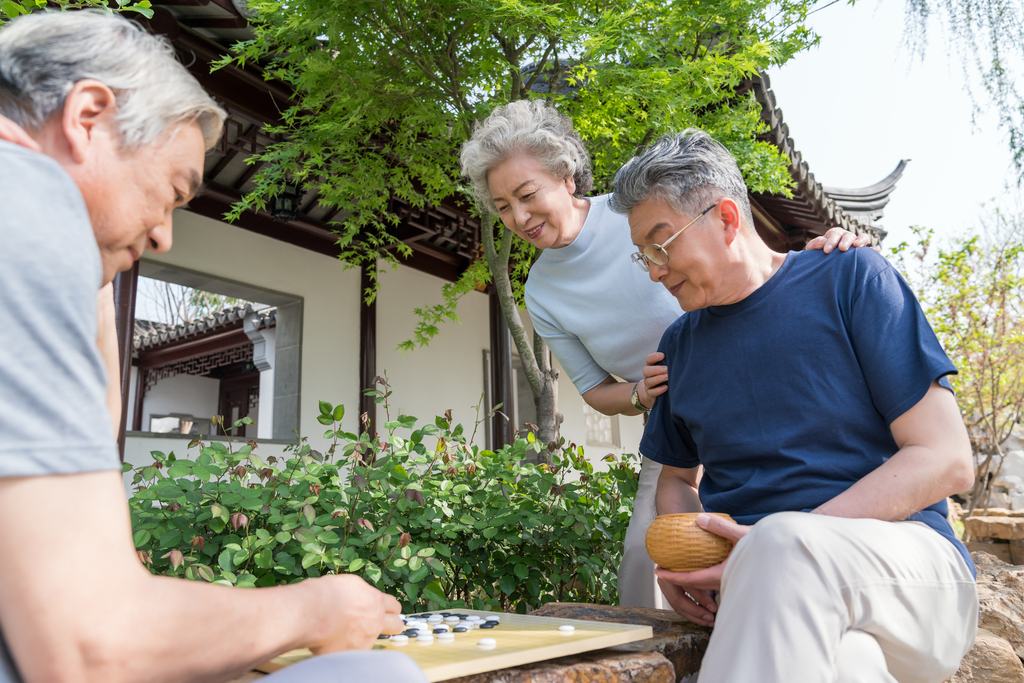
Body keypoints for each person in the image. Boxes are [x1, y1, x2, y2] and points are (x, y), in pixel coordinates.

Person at [0, 11, 426, 683]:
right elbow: (92, 644)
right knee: (384, 675)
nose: (165, 235)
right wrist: (318, 606)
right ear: (87, 117)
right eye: (172, 193)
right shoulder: (27, 199)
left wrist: (95, 279)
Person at [459, 99, 871, 609]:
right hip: (676, 419)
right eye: (503, 207)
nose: (519, 217)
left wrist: (820, 259)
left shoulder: (638, 212)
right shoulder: (541, 291)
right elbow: (594, 391)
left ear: (566, 177)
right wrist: (638, 392)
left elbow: (743, 255)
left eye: (527, 194)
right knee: (645, 556)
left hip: (760, 391)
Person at [611, 129, 978, 681]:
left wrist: (765, 547)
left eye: (662, 245)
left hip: (911, 573)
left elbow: (946, 459)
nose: (656, 270)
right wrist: (692, 560)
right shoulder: (679, 348)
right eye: (644, 256)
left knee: (784, 542)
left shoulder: (850, 277)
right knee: (851, 669)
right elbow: (676, 479)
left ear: (727, 219)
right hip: (770, 600)